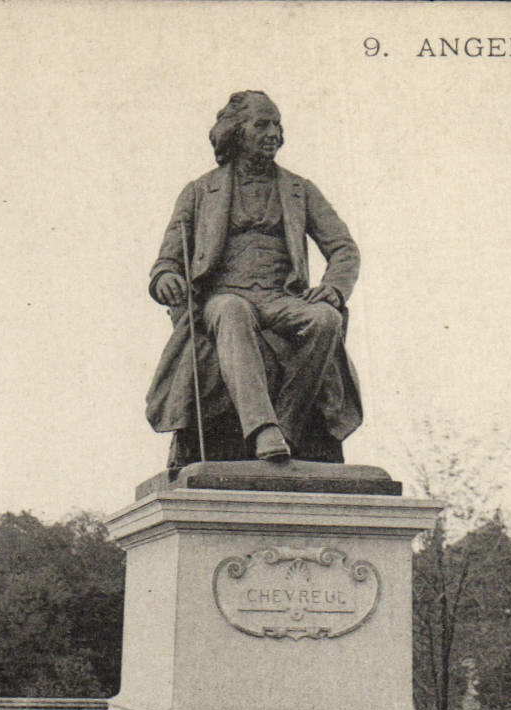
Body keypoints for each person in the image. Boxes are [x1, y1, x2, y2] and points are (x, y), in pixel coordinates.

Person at [146, 91, 363, 466]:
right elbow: (168, 259)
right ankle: (262, 429)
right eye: (262, 124)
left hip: (282, 298)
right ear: (236, 131)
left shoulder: (300, 189)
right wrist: (164, 277)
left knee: (326, 319)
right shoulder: (200, 191)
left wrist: (334, 288)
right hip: (224, 297)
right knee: (232, 311)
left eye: (277, 125)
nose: (273, 133)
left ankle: (288, 427)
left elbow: (344, 248)